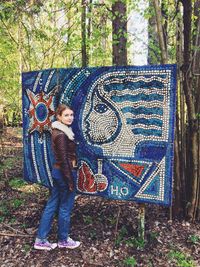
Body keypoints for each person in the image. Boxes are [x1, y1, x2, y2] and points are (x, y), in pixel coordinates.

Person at [34, 104, 80, 251]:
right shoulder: (60, 134)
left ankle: (41, 239)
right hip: (64, 173)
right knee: (65, 206)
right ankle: (63, 239)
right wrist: (70, 181)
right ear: (59, 117)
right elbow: (63, 159)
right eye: (66, 115)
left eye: (71, 115)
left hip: (59, 173)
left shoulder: (62, 131)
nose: (70, 117)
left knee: (52, 204)